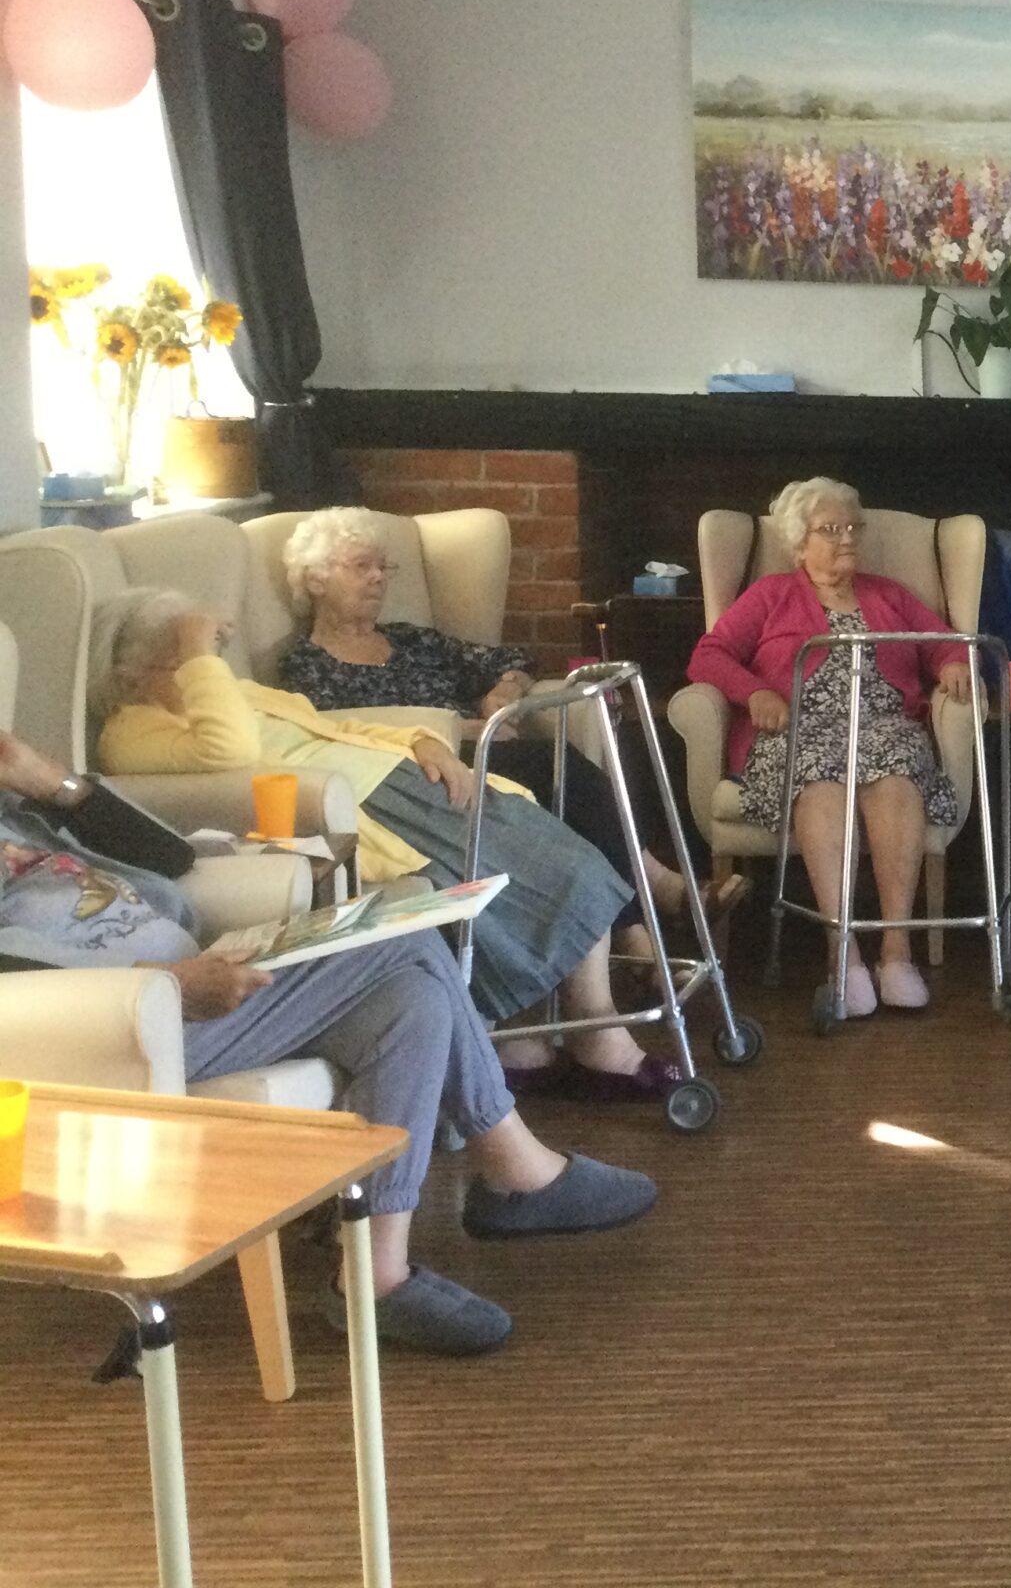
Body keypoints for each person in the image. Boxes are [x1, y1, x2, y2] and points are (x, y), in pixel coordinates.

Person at [0, 726, 655, 1356]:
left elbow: (171, 859)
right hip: (108, 1024)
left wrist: (48, 782)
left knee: (412, 999)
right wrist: (169, 982)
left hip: (188, 985)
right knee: (402, 943)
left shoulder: (13, 808)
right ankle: (516, 1170)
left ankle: (375, 1276)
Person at [92, 590, 683, 1102]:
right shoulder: (133, 731)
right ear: (135, 672)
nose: (203, 668)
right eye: (182, 658)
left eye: (199, 657)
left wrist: (422, 741)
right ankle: (595, 1037)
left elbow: (333, 726)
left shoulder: (228, 690)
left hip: (402, 780)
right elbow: (230, 751)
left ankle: (536, 1045)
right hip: (368, 811)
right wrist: (201, 663)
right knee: (551, 877)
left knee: (571, 861)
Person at [273, 506, 749, 944]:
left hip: (487, 754)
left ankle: (640, 935)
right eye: (361, 566)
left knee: (565, 780)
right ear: (315, 580)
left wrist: (505, 690)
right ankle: (658, 898)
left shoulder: (409, 640)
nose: (378, 578)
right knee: (556, 766)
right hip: (414, 778)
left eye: (384, 567)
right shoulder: (308, 666)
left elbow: (511, 659)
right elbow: (344, 734)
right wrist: (468, 729)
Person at [687, 478, 969, 1016]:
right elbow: (710, 654)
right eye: (831, 529)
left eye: (853, 528)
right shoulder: (771, 594)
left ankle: (896, 950)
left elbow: (944, 641)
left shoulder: (888, 594)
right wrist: (757, 692)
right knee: (819, 777)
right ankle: (844, 955)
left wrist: (952, 661)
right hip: (797, 731)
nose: (846, 539)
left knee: (899, 767)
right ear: (799, 541)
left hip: (882, 727)